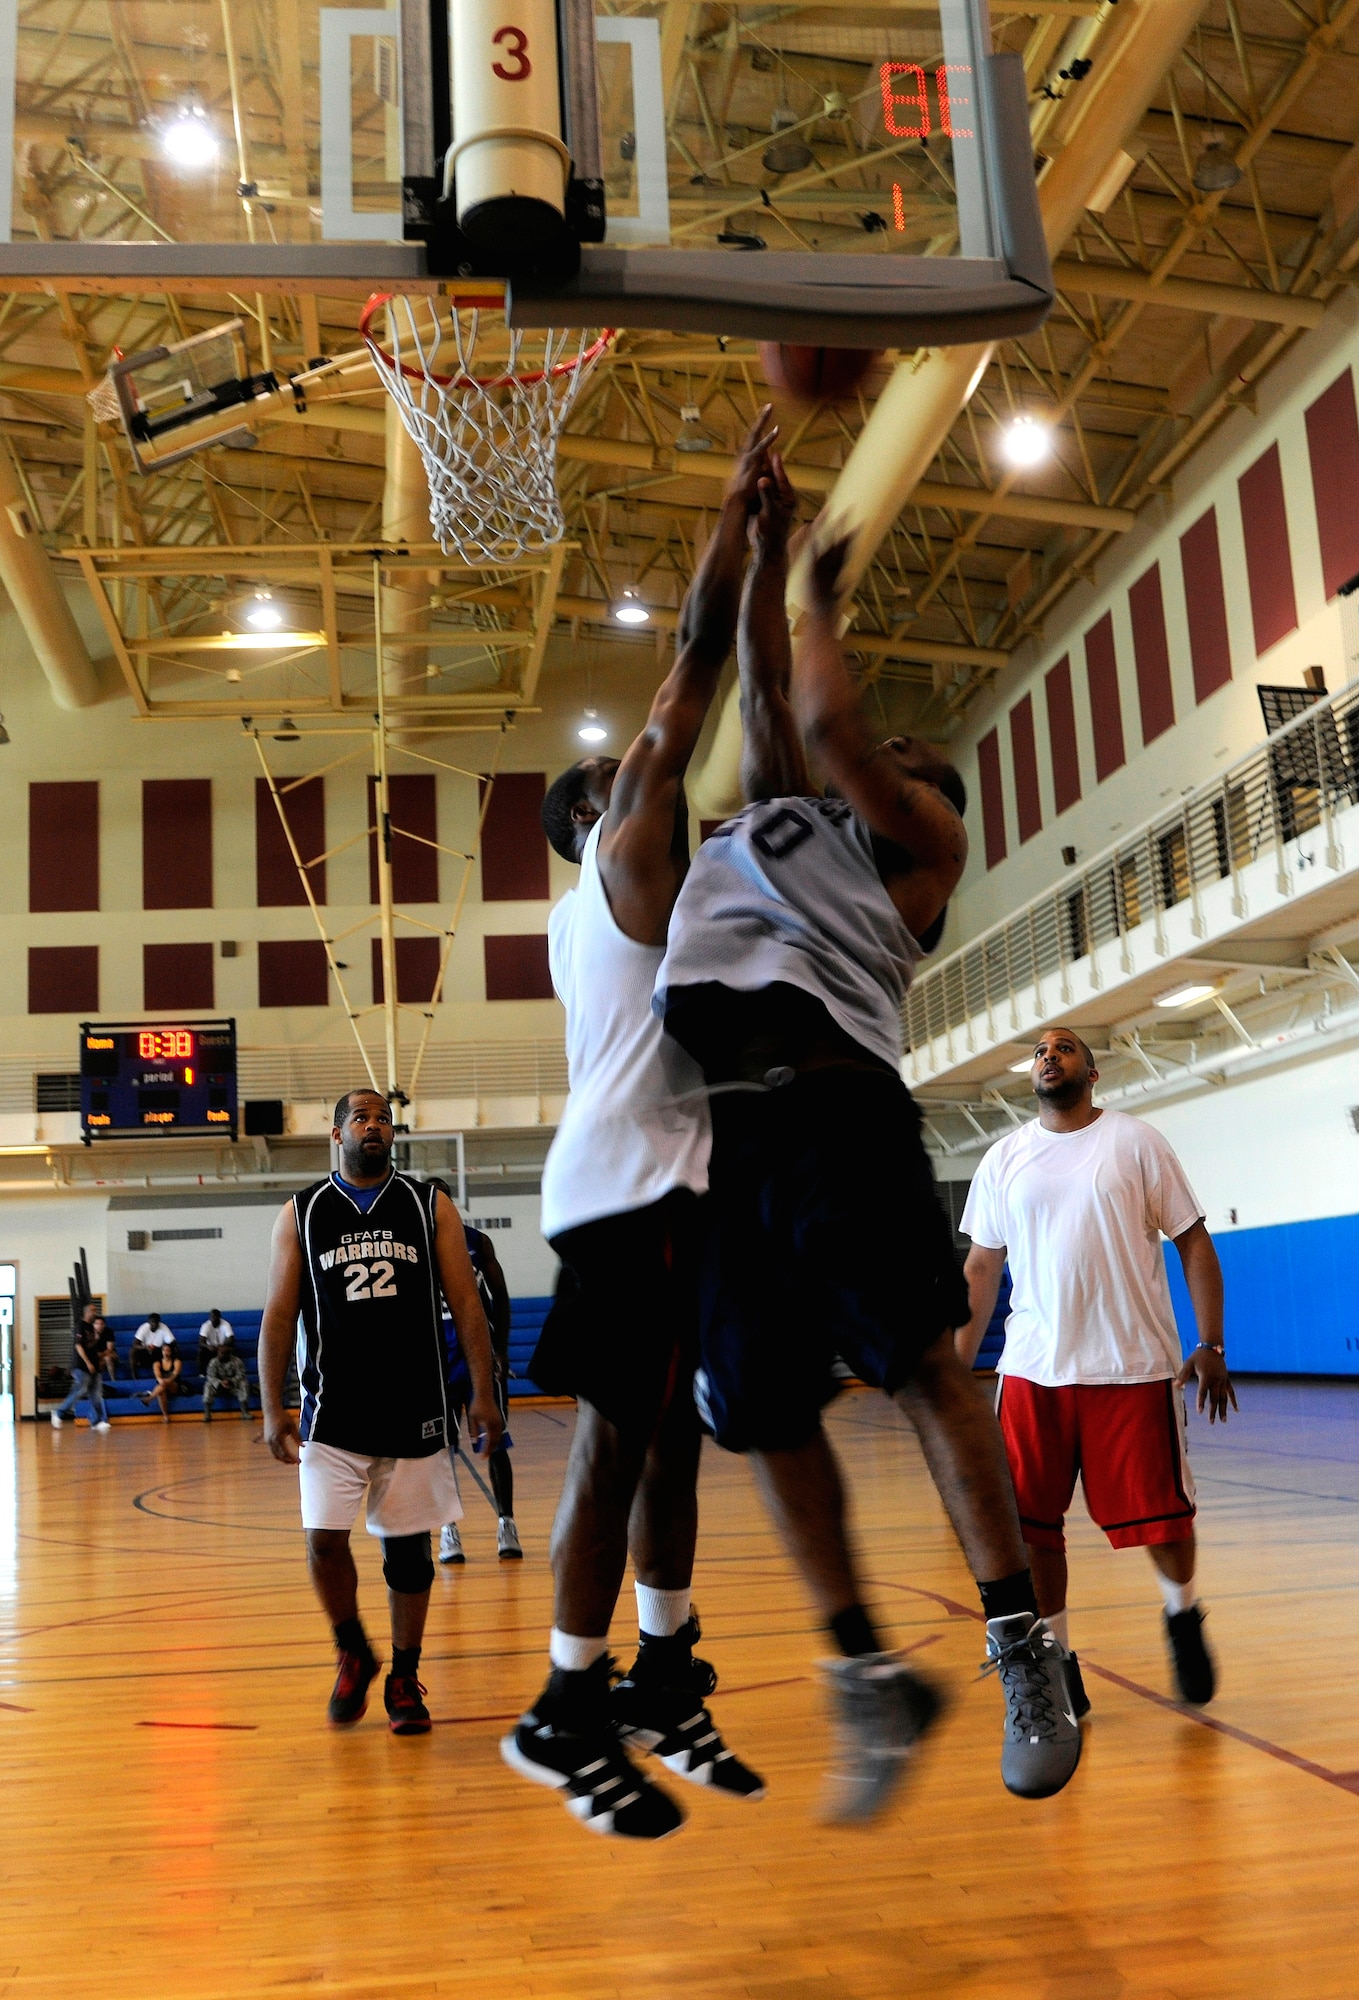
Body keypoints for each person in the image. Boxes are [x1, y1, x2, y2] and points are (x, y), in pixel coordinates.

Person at [652, 513, 1081, 1812]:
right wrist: (749, 544)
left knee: (921, 1373)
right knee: (756, 1414)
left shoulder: (919, 840)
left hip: (837, 1114)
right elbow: (775, 708)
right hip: (728, 1141)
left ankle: (1021, 1649)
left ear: (920, 796)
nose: (887, 747)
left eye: (908, 755)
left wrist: (819, 595)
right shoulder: (786, 824)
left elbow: (830, 726)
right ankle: (865, 1672)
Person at [500, 413, 777, 1840]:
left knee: (674, 1447)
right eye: (614, 771)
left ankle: (661, 1665)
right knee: (618, 1443)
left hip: (675, 1184)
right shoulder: (614, 855)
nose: (639, 767)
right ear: (588, 815)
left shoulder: (628, 891)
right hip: (620, 1192)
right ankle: (561, 1703)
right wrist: (729, 528)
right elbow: (689, 680)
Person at [955, 1025, 1235, 1710]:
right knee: (1029, 1530)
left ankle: (1181, 1614)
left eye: (1065, 1047)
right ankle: (1054, 1663)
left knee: (1163, 1521)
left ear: (1092, 1071)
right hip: (1030, 1370)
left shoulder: (1135, 1142)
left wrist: (1212, 1342)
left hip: (1129, 1365)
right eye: (1039, 1051)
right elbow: (981, 1266)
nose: (1048, 1054)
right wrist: (953, 1372)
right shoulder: (1004, 1158)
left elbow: (1192, 1243)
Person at [257, 1089, 503, 1736]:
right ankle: (352, 1650)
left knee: (410, 1558)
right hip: (331, 1409)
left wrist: (484, 1392)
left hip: (414, 1405)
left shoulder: (429, 1205)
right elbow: (279, 1315)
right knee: (322, 1542)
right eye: (362, 1118)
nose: (375, 1126)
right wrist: (269, 1404)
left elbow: (466, 1306)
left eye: (384, 1119)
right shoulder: (302, 1212)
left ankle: (403, 1674)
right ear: (335, 1134)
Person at [439, 1219, 520, 1562]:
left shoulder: (478, 1243)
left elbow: (499, 1296)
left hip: (477, 1354)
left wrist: (500, 1349)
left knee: (495, 1441)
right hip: (437, 1357)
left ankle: (507, 1523)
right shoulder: (412, 1243)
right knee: (439, 1449)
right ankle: (447, 1528)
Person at [51, 1312, 110, 1432]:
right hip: (81, 1366)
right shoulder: (80, 1326)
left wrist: (99, 1353)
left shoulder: (94, 1332)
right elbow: (79, 1347)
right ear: (88, 1313)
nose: (95, 1312)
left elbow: (94, 1349)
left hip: (94, 1367)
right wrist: (88, 1363)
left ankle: (96, 1421)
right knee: (80, 1389)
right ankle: (58, 1413)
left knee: (96, 1395)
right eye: (93, 1310)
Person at [201, 1314, 252, 1423]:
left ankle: (244, 1412)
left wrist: (230, 1381)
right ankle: (207, 1414)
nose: (220, 1355)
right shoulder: (213, 1362)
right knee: (208, 1385)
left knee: (244, 1383)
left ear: (229, 1354)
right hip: (218, 1386)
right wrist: (220, 1382)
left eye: (223, 1353)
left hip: (233, 1386)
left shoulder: (236, 1361)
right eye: (220, 1353)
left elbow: (241, 1374)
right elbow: (210, 1376)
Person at [143, 1338, 182, 1422]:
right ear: (161, 1352)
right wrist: (162, 1381)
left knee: (163, 1385)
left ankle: (149, 1398)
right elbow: (157, 1376)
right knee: (161, 1391)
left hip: (174, 1386)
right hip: (162, 1386)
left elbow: (174, 1376)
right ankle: (166, 1417)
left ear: (171, 1352)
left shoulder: (176, 1362)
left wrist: (165, 1382)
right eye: (164, 1350)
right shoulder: (157, 1363)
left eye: (168, 1350)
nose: (166, 1352)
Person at [131, 1311, 170, 1379]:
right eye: (152, 1322)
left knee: (170, 1350)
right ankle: (134, 1377)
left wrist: (163, 1347)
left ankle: (166, 1374)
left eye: (156, 1322)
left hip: (158, 1351)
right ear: (149, 1322)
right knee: (132, 1351)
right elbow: (134, 1344)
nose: (154, 1324)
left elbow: (171, 1342)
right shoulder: (143, 1328)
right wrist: (146, 1347)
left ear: (159, 1322)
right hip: (145, 1351)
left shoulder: (163, 1327)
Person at [197, 1308, 235, 1375]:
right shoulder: (206, 1325)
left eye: (215, 1318)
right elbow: (201, 1342)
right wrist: (208, 1347)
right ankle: (202, 1373)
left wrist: (222, 1346)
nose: (213, 1319)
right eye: (212, 1317)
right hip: (211, 1348)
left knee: (231, 1349)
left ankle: (231, 1372)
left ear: (219, 1318)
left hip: (222, 1346)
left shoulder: (226, 1324)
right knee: (201, 1351)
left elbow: (231, 1338)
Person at [88, 1315, 118, 1387]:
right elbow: (89, 1348)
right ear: (93, 1325)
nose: (99, 1326)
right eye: (97, 1324)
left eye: (101, 1324)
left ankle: (113, 1380)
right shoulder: (89, 1333)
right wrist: (95, 1339)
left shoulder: (109, 1331)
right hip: (96, 1356)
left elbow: (109, 1349)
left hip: (108, 1354)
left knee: (107, 1358)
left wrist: (100, 1355)